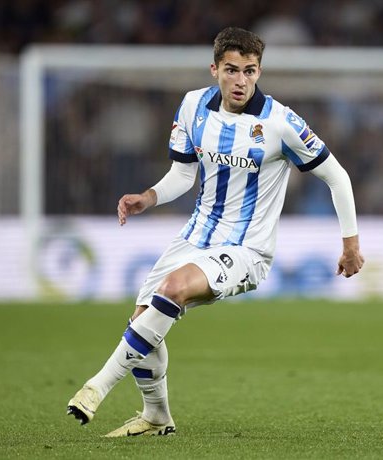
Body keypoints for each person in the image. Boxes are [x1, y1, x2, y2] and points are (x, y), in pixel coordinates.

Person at [66, 27, 364, 437]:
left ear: (259, 72)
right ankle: (156, 416)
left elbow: (338, 177)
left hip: (247, 249)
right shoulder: (192, 106)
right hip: (194, 236)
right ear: (214, 70)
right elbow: (183, 174)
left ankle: (96, 387)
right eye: (231, 70)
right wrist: (148, 197)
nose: (240, 80)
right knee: (142, 320)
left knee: (171, 289)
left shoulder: (280, 123)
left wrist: (350, 244)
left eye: (250, 71)